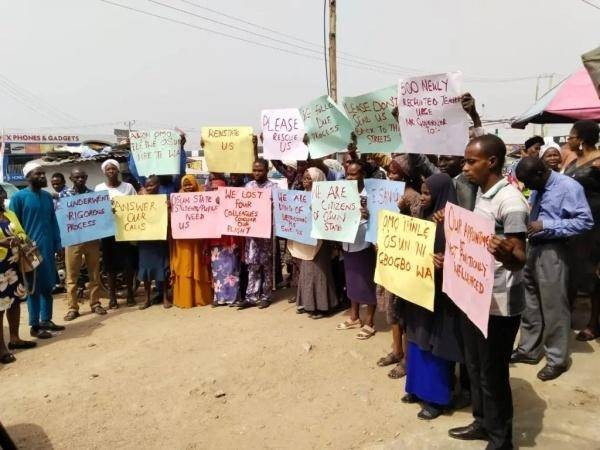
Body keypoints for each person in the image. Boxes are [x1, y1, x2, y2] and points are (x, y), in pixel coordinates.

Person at [444, 134, 528, 449]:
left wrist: (506, 251)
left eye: (470, 160)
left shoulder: (511, 201)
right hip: (476, 298)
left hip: (500, 305)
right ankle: (482, 422)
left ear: (491, 161)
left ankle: (500, 439)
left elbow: (520, 259)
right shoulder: (482, 194)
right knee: (475, 366)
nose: (465, 167)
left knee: (493, 374)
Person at [511, 157, 593, 380]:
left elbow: (585, 221)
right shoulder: (539, 185)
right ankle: (529, 349)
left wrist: (546, 225)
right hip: (533, 247)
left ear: (539, 173)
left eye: (528, 182)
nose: (527, 187)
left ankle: (557, 359)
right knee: (530, 303)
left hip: (553, 250)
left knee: (554, 306)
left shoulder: (568, 187)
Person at [403, 173, 464, 420]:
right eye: (423, 192)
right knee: (417, 338)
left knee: (436, 344)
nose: (424, 197)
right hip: (420, 292)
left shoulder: (456, 221)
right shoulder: (427, 216)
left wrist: (446, 262)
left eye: (428, 193)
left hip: (441, 297)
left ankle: (438, 398)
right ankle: (417, 388)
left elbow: (466, 258)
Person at [10, 162, 64, 338]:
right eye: (38, 174)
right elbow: (13, 225)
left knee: (48, 285)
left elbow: (53, 222)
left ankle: (46, 319)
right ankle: (34, 325)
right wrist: (22, 246)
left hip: (47, 248)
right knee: (33, 287)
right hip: (29, 251)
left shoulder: (48, 197)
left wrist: (58, 244)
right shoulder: (19, 198)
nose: (42, 177)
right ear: (28, 177)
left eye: (43, 173)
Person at [563, 120, 600, 341]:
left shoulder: (598, 161)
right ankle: (565, 316)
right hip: (573, 225)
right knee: (572, 271)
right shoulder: (574, 162)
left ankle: (593, 323)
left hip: (595, 224)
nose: (568, 140)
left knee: (593, 275)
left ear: (582, 139)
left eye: (571, 136)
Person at [336, 161, 377, 340]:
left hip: (364, 243)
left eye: (354, 174)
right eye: (348, 174)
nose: (350, 178)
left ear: (363, 175)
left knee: (366, 282)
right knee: (351, 280)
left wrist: (369, 214)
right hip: (347, 243)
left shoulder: (372, 194)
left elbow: (381, 215)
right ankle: (354, 317)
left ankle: (370, 322)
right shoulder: (342, 193)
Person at [60, 168, 106, 321]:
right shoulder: (64, 196)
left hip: (92, 239)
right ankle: (73, 308)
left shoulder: (93, 196)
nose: (80, 179)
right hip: (73, 240)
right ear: (71, 179)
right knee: (72, 276)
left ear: (86, 178)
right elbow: (61, 218)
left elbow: (99, 216)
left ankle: (95, 303)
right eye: (76, 177)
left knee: (94, 273)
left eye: (82, 177)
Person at [294, 167, 339, 318]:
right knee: (306, 270)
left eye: (309, 179)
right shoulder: (302, 196)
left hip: (321, 240)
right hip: (305, 239)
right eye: (304, 178)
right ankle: (308, 303)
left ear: (317, 180)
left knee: (318, 271)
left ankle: (322, 306)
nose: (305, 181)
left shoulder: (324, 198)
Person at [95, 159, 138, 309]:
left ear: (118, 171)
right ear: (104, 172)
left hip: (126, 231)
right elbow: (96, 210)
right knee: (110, 267)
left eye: (114, 169)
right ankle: (112, 297)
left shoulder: (128, 187)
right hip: (108, 232)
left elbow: (137, 206)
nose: (111, 171)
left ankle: (130, 295)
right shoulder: (99, 188)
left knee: (128, 265)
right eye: (108, 169)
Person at [170, 175, 213, 308]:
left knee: (198, 265)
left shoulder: (202, 197)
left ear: (195, 184)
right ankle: (185, 298)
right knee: (184, 265)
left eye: (190, 184)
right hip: (183, 241)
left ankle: (200, 297)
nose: (188, 187)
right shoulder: (177, 199)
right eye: (185, 185)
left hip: (198, 241)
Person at [239, 159, 276, 310]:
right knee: (252, 263)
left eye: (260, 170)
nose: (257, 173)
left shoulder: (273, 187)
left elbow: (277, 208)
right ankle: (251, 296)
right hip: (251, 233)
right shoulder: (248, 186)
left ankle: (266, 296)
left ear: (266, 170)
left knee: (266, 264)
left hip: (266, 232)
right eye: (255, 170)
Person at [0, 203, 35, 363]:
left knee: (15, 301)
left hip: (14, 264)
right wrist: (2, 242)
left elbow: (21, 232)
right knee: (0, 307)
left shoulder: (10, 213)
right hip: (0, 267)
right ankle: (1, 349)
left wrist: (17, 238)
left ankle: (15, 339)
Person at [207, 177, 243, 307]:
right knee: (217, 271)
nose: (216, 191)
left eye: (218, 188)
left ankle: (233, 298)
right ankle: (219, 298)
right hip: (215, 242)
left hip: (230, 241)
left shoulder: (231, 202)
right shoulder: (208, 205)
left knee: (232, 270)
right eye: (213, 188)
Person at [137, 176, 171, 310]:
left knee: (162, 268)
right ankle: (147, 298)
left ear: (158, 185)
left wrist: (169, 208)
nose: (149, 188)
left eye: (152, 185)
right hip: (145, 240)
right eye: (147, 185)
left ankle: (165, 297)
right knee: (146, 270)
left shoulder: (165, 199)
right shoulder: (139, 201)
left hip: (160, 239)